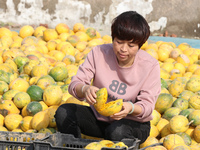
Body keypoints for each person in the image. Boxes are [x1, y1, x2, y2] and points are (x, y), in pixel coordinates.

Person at [55, 11, 161, 144]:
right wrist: (85, 89)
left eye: (131, 45)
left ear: (140, 45)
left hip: (133, 124)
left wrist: (130, 108)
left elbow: (147, 106)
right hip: (100, 119)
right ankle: (74, 146)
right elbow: (75, 84)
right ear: (113, 38)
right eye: (119, 42)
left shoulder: (150, 66)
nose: (123, 49)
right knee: (64, 112)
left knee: (116, 132)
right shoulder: (99, 53)